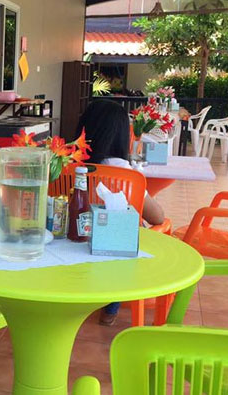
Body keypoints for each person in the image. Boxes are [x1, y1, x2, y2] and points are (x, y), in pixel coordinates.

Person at [75, 99, 165, 326]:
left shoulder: (67, 163)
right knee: (125, 229)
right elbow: (157, 217)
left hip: (76, 238)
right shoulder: (124, 172)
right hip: (112, 248)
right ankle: (112, 305)